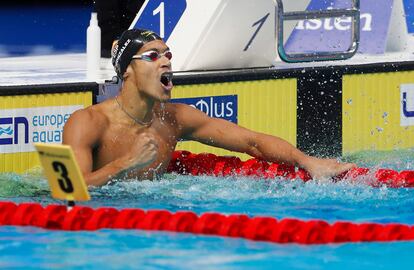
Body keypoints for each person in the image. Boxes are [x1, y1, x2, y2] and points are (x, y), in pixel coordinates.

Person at [63, 29, 356, 186]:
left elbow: (251, 142)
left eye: (168, 55)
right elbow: (65, 190)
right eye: (152, 56)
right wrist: (125, 164)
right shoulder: (87, 122)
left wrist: (308, 161)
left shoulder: (174, 119)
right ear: (126, 71)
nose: (165, 61)